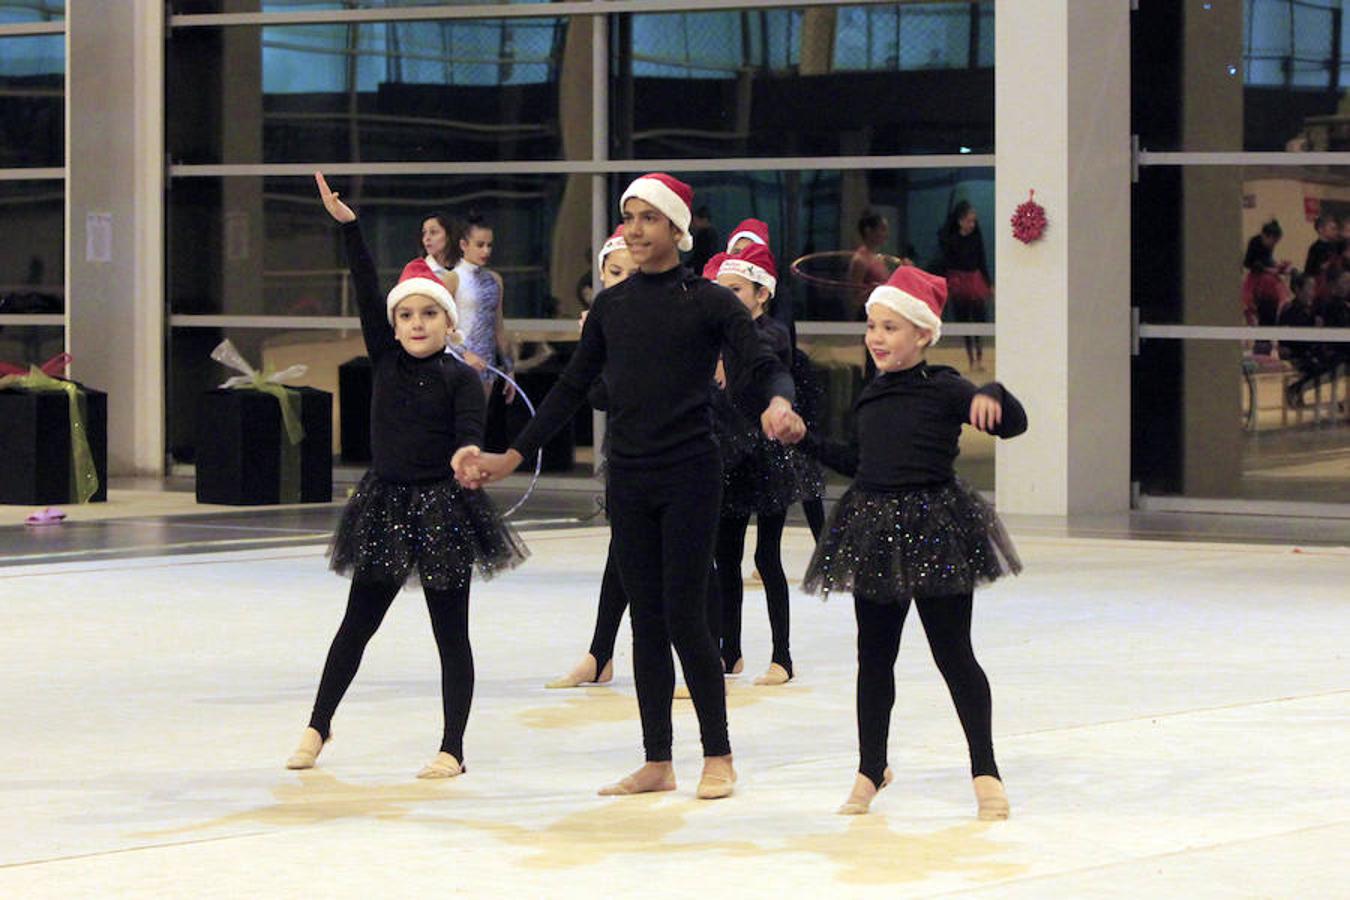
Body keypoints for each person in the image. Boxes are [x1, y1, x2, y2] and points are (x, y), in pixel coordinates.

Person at [455, 173, 805, 800]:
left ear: (677, 229)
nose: (636, 229)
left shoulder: (709, 302)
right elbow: (569, 389)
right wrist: (512, 454)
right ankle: (657, 760)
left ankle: (718, 754)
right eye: (630, 217)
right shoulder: (614, 308)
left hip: (692, 474)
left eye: (649, 218)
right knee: (646, 620)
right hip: (632, 477)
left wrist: (778, 403)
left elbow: (763, 366)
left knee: (684, 618)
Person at [285, 174, 527, 779]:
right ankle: (318, 724)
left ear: (448, 326)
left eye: (429, 314)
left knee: (451, 634)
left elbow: (471, 427)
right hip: (386, 505)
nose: (417, 324)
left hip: (444, 508)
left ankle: (453, 747)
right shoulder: (386, 359)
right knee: (356, 625)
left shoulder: (460, 378)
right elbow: (367, 287)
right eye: (407, 316)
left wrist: (468, 454)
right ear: (393, 327)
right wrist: (349, 226)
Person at [799, 265, 1026, 819]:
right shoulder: (870, 394)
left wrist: (993, 394)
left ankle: (985, 769)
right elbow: (861, 462)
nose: (876, 337)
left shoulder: (946, 386)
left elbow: (1012, 423)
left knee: (953, 653)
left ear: (922, 334)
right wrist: (808, 440)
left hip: (935, 528)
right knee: (873, 657)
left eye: (890, 327)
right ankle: (870, 767)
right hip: (874, 528)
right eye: (872, 325)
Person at [705, 245, 813, 686]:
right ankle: (729, 651)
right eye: (722, 290)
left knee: (766, 557)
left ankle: (782, 656)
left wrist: (721, 357)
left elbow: (761, 364)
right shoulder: (718, 338)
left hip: (766, 457)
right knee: (725, 558)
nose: (727, 297)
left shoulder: (770, 334)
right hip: (728, 455)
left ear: (761, 294)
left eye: (735, 289)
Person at [547, 226, 640, 689]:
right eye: (614, 271)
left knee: (691, 558)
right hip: (628, 451)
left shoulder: (658, 316)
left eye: (632, 271)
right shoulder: (605, 321)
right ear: (600, 274)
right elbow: (601, 397)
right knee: (620, 551)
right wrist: (593, 350)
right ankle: (600, 653)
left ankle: (724, 654)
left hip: (681, 450)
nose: (622, 280)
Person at [441, 214, 516, 403]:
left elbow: (498, 326)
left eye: (489, 245)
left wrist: (509, 368)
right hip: (457, 361)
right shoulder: (452, 279)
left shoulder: (494, 280)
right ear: (464, 245)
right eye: (480, 245)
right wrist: (464, 354)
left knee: (478, 425)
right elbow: (441, 326)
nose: (486, 251)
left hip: (485, 364)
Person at [936, 201, 993, 372]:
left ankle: (980, 357)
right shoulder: (951, 240)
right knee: (964, 321)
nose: (972, 224)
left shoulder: (976, 237)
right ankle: (971, 359)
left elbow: (982, 260)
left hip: (974, 280)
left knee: (979, 320)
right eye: (969, 221)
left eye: (974, 221)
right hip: (958, 282)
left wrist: (988, 283)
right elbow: (945, 262)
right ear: (960, 221)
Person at [1242, 220, 1290, 352]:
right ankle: (1262, 341)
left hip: (1265, 279)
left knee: (1270, 308)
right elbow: (1250, 264)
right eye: (1273, 241)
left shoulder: (1267, 246)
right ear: (1265, 236)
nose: (1274, 245)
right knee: (1263, 308)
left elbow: (1267, 261)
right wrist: (1270, 269)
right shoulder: (1255, 243)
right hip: (1257, 281)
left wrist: (1277, 267)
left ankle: (1266, 338)